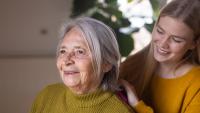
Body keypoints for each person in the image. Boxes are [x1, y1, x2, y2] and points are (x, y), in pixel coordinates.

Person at [30, 17, 135, 113]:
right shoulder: (46, 96)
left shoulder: (119, 110)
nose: (67, 60)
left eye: (80, 51)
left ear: (106, 63)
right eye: (63, 51)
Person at [119, 0, 200, 112]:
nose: (162, 44)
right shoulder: (132, 64)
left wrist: (137, 105)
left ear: (194, 43)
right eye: (160, 31)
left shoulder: (196, 84)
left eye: (176, 40)